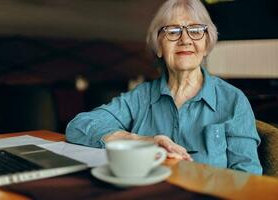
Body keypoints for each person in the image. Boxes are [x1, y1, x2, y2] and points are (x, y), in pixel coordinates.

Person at [66, 0, 262, 174]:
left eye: (195, 30)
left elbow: (248, 177)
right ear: (159, 47)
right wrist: (143, 141)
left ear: (206, 42)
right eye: (173, 31)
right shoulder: (141, 97)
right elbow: (78, 126)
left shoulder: (233, 101)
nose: (185, 40)